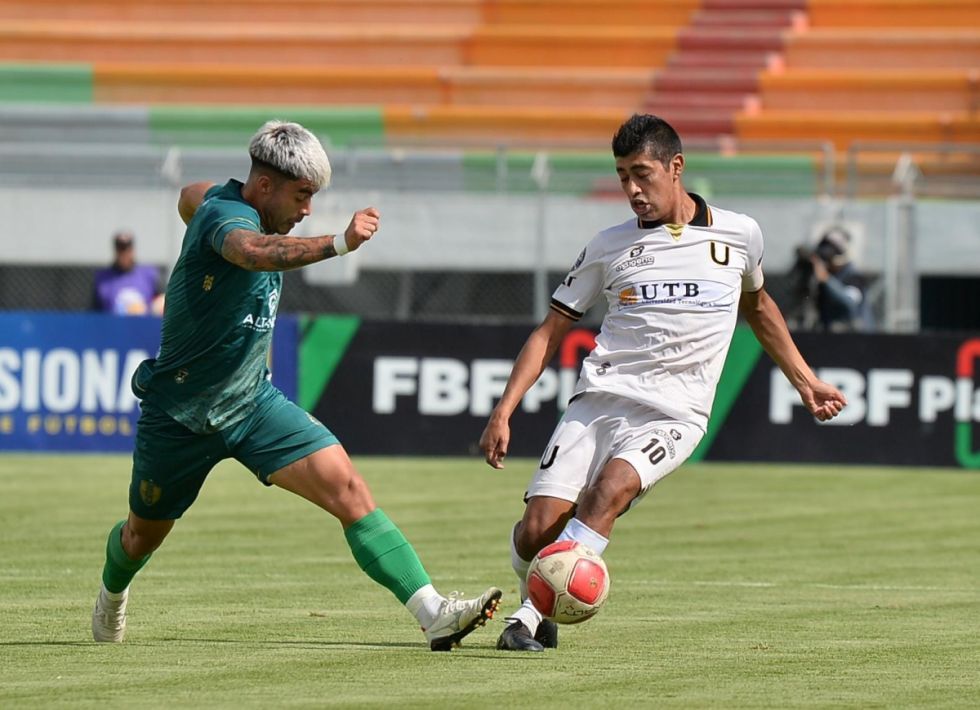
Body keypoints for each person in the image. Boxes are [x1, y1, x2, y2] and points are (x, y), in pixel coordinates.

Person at [92, 120, 501, 651]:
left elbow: (188, 196)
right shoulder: (230, 220)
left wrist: (194, 207)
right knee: (140, 536)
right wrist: (338, 242)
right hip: (179, 415)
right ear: (264, 186)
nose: (307, 209)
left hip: (251, 404)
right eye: (302, 195)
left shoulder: (218, 202)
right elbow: (252, 252)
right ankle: (111, 596)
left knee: (349, 489)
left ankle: (433, 614)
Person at [479, 114, 847, 652]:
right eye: (623, 175)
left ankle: (526, 619)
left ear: (676, 168)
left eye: (642, 174)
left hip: (675, 414)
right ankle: (534, 587)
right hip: (598, 402)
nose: (631, 189)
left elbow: (759, 307)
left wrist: (805, 380)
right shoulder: (608, 246)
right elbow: (551, 329)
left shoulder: (740, 235)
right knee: (537, 529)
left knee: (608, 493)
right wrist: (503, 410)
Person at [808, 227, 874, 332]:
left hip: (856, 338)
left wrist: (826, 279)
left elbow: (849, 303)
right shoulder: (826, 276)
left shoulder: (854, 276)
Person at [92, 230, 165, 315]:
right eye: (121, 249)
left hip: (143, 325)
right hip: (113, 326)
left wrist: (150, 308)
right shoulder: (103, 279)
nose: (124, 254)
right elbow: (95, 311)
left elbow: (162, 300)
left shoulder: (148, 275)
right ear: (116, 251)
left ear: (132, 250)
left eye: (127, 249)